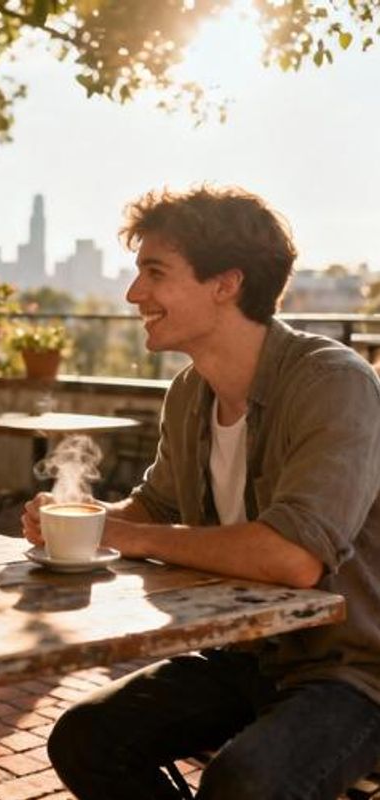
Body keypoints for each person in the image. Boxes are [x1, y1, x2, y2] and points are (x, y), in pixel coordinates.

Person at [22, 186, 380, 800]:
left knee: (243, 784)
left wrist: (121, 533)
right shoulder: (191, 393)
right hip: (248, 656)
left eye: (154, 273)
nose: (135, 294)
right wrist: (80, 518)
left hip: (355, 673)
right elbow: (153, 508)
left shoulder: (333, 383)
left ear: (226, 283)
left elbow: (293, 558)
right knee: (86, 738)